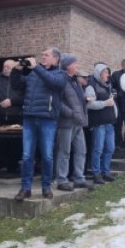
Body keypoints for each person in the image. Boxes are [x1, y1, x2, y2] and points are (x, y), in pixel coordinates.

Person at [10, 47, 68, 200]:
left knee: (47, 156)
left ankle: (46, 187)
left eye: (46, 55)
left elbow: (53, 83)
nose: (42, 57)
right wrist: (16, 70)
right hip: (29, 118)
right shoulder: (34, 74)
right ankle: (25, 189)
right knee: (27, 155)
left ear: (55, 59)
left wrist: (36, 67)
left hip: (47, 119)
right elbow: (16, 85)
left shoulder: (61, 74)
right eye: (42, 55)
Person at [54, 56, 90, 191]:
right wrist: (72, 113)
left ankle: (79, 178)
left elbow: (78, 102)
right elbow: (58, 103)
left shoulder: (76, 81)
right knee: (64, 151)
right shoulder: (61, 81)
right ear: (67, 65)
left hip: (78, 123)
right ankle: (62, 180)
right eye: (75, 63)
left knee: (81, 151)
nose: (77, 66)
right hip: (66, 122)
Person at [85, 63, 118, 184]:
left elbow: (112, 103)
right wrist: (105, 103)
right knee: (98, 149)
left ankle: (106, 171)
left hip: (109, 123)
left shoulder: (108, 85)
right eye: (105, 72)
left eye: (108, 72)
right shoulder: (91, 86)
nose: (108, 75)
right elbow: (90, 104)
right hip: (98, 123)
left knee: (110, 148)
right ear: (99, 73)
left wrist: (115, 114)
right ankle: (96, 173)